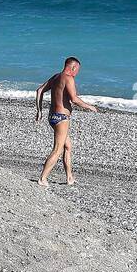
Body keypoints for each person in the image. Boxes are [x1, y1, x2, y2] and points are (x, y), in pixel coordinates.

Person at [34, 56, 100, 186]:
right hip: (62, 118)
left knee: (68, 146)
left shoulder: (56, 77)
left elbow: (39, 90)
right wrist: (89, 106)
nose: (77, 73)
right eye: (77, 70)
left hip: (52, 117)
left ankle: (69, 178)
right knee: (58, 149)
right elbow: (74, 99)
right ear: (73, 67)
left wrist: (39, 110)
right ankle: (42, 178)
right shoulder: (68, 78)